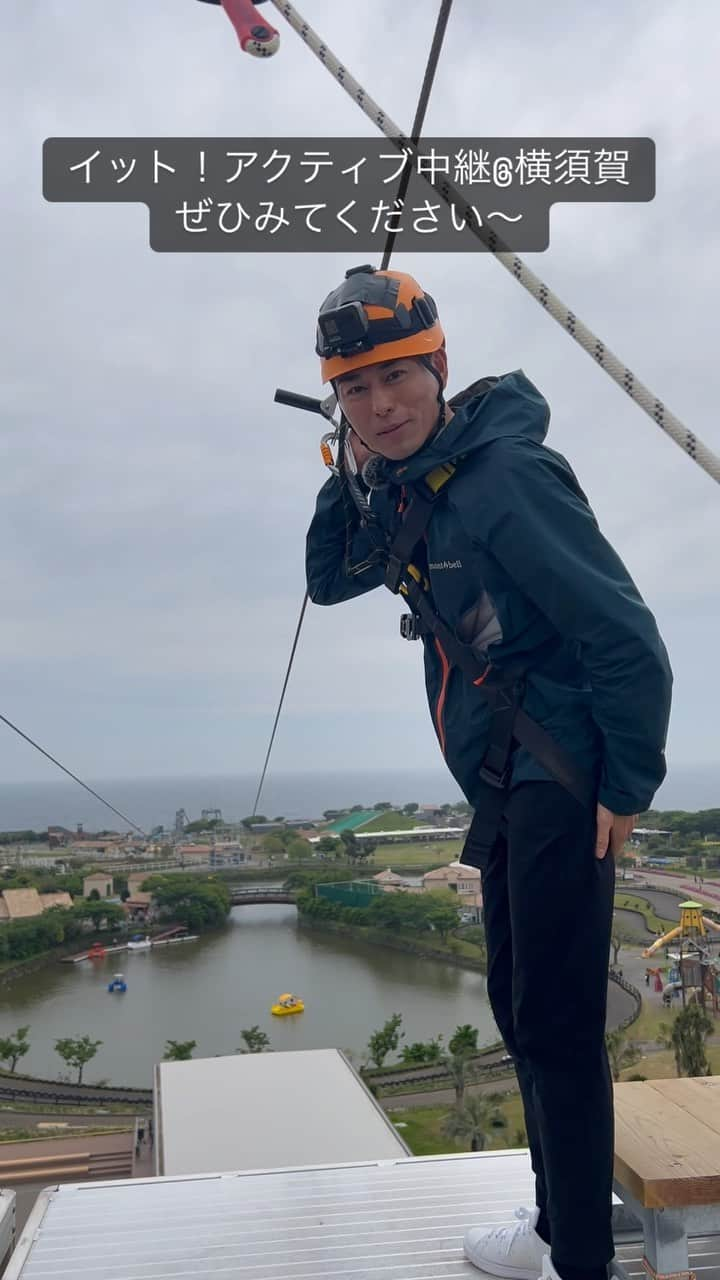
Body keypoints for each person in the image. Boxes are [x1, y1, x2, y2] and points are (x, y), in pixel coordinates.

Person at [305, 265, 672, 1280]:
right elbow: (330, 576)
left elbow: (628, 643)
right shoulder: (417, 484)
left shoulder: (503, 479)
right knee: (524, 1008)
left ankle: (580, 1257)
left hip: (560, 777)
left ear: (441, 367)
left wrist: (625, 786)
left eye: (395, 378)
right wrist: (344, 469)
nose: (380, 405)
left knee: (554, 1017)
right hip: (511, 781)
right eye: (354, 388)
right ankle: (561, 1228)